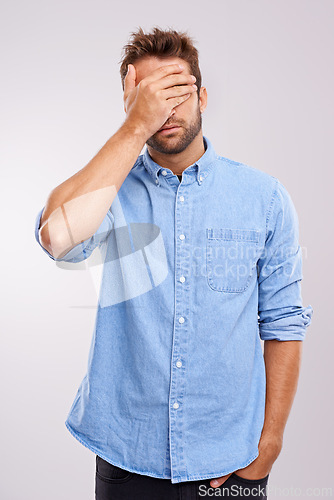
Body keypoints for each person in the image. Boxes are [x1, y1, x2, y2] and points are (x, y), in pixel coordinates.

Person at [34, 26, 313, 500]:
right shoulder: (109, 193)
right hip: (127, 458)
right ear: (130, 104)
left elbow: (284, 321)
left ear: (202, 96)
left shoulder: (264, 198)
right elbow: (58, 237)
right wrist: (133, 129)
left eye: (176, 91)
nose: (165, 108)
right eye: (149, 96)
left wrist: (269, 444)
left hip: (230, 461)